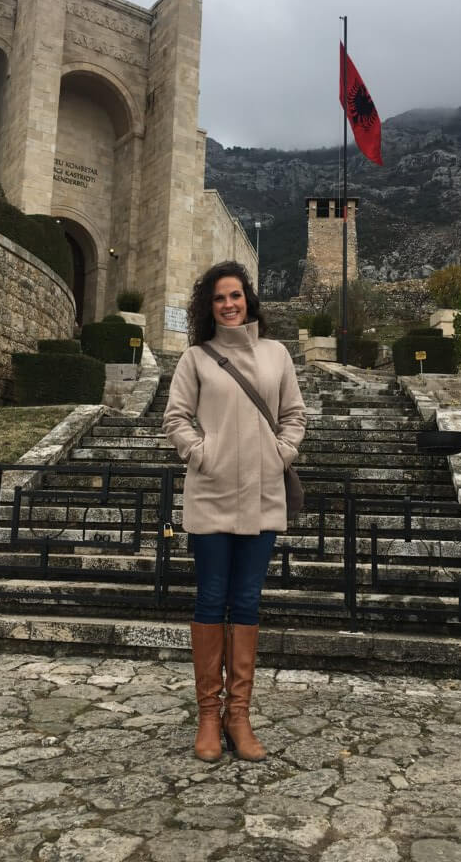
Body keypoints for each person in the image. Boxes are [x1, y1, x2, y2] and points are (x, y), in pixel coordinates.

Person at [163, 260, 306, 763]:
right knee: (211, 597)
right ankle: (208, 714)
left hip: (264, 495)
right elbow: (176, 417)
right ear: (210, 305)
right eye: (220, 297)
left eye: (236, 296)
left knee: (246, 600)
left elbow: (294, 416)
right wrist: (202, 454)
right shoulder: (196, 359)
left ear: (249, 301)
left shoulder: (276, 354)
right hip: (212, 494)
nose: (229, 304)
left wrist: (280, 453)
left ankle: (238, 716)